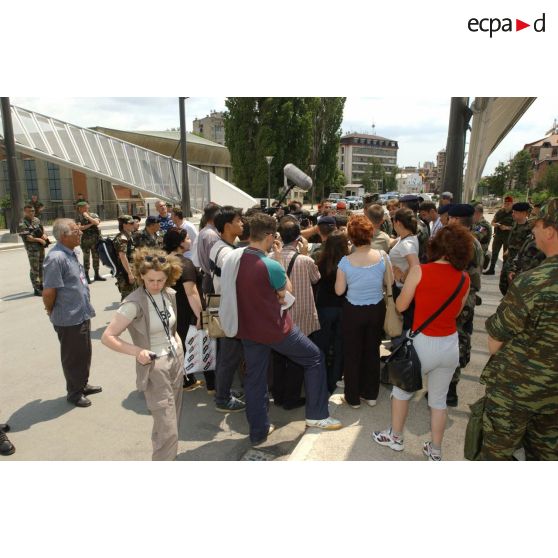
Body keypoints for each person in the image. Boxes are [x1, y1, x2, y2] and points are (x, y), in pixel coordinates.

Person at [219, 213, 342, 445]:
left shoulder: (235, 258)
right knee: (314, 358)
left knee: (255, 380)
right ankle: (317, 415)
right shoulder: (270, 265)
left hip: (247, 329)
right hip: (276, 329)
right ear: (268, 236)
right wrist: (276, 260)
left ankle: (258, 432)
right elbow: (287, 290)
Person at [373, 224, 472, 461]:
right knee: (438, 400)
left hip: (422, 343)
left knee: (401, 392)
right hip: (449, 344)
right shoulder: (464, 278)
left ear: (436, 245)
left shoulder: (420, 271)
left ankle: (395, 437)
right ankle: (435, 451)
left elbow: (401, 306)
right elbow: (457, 312)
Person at [478, 198, 558, 460]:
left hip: (517, 390)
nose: (533, 229)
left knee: (496, 456)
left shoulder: (534, 281)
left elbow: (495, 339)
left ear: (550, 231)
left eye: (539, 224)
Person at [102, 248, 185, 461]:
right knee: (167, 426)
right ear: (141, 277)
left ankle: (164, 457)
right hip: (155, 366)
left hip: (175, 359)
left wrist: (179, 347)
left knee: (170, 420)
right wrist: (137, 351)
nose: (156, 285)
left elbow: (172, 327)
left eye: (161, 280)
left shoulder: (169, 294)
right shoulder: (133, 303)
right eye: (151, 280)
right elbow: (108, 336)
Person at [43, 219, 101, 407]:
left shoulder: (72, 252)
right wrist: (51, 310)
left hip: (81, 313)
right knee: (73, 356)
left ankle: (82, 384)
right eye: (76, 231)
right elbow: (49, 292)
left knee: (84, 353)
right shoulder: (56, 258)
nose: (81, 233)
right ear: (63, 236)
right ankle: (74, 393)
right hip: (68, 317)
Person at [335, 214, 387, 408]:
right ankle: (371, 394)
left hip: (353, 311)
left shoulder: (345, 261)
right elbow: (385, 283)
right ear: (370, 234)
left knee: (352, 353)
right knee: (372, 351)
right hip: (376, 308)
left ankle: (353, 397)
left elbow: (339, 291)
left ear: (350, 237)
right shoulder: (382, 256)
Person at [271, 217, 321, 410]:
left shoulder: (270, 257)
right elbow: (316, 279)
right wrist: (307, 253)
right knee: (297, 358)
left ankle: (278, 394)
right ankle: (291, 398)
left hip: (278, 315)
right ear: (299, 238)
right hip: (301, 314)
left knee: (278, 357)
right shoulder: (305, 260)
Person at [162, 228, 209, 393]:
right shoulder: (184, 263)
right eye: (187, 238)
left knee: (177, 344)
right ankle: (197, 381)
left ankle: (186, 380)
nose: (190, 240)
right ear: (180, 243)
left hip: (170, 309)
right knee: (194, 345)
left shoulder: (163, 261)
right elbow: (191, 292)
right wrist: (200, 315)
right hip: (186, 311)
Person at [208, 206, 246, 412]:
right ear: (227, 225)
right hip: (227, 309)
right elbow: (235, 270)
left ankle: (224, 391)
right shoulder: (224, 251)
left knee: (228, 354)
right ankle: (222, 398)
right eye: (239, 220)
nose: (242, 224)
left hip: (224, 306)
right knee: (229, 355)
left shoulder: (226, 245)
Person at [446, 204, 483, 407]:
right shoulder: (474, 241)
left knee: (456, 337)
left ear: (458, 221)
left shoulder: (463, 243)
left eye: (451, 218)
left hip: (461, 296)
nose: (448, 221)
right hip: (468, 295)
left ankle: (450, 390)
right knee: (460, 335)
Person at [314, 231, 349, 393]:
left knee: (322, 346)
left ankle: (319, 380)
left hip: (324, 308)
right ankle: (333, 381)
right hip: (342, 308)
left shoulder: (320, 261)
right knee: (339, 346)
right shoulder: (348, 262)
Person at [389, 208, 420, 331]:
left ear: (398, 223)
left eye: (393, 221)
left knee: (404, 324)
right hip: (402, 288)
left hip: (402, 289)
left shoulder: (407, 244)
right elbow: (391, 242)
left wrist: (403, 278)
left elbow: (415, 266)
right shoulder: (407, 238)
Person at [499, 202, 531, 296]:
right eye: (513, 212)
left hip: (519, 262)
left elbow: (527, 248)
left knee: (514, 286)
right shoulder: (515, 224)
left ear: (524, 213)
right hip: (509, 259)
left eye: (516, 212)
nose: (513, 214)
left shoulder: (529, 228)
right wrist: (508, 250)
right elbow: (512, 239)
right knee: (503, 284)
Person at [18, 204, 49, 296]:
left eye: (33, 211)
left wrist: (44, 235)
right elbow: (27, 237)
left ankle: (41, 285)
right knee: (35, 268)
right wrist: (39, 239)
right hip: (32, 249)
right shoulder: (22, 222)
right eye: (29, 211)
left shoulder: (36, 220)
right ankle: (36, 288)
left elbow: (42, 230)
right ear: (25, 212)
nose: (31, 213)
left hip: (40, 247)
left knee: (41, 266)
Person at [75, 201, 105, 283]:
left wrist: (88, 217)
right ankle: (86, 276)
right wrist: (91, 224)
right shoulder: (78, 217)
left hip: (95, 240)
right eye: (82, 208)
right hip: (85, 241)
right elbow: (80, 228)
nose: (84, 209)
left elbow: (96, 222)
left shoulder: (94, 215)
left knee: (96, 257)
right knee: (86, 259)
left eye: (85, 207)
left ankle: (97, 274)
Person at [196, 202, 222, 295]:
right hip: (212, 279)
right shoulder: (211, 235)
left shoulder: (205, 231)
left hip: (208, 277)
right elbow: (214, 261)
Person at [484, 196, 514, 275]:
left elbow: (516, 226)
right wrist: (496, 224)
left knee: (506, 255)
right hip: (498, 235)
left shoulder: (514, 213)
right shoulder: (500, 212)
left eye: (508, 203)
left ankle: (503, 271)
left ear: (511, 204)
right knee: (494, 253)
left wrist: (507, 227)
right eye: (505, 203)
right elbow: (492, 222)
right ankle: (491, 269)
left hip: (508, 236)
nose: (506, 205)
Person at [400, 194, 429, 262]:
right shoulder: (416, 223)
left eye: (401, 207)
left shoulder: (416, 227)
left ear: (406, 209)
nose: (399, 210)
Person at [114, 215, 137, 301]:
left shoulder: (128, 236)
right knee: (127, 299)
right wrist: (129, 274)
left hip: (131, 270)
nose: (133, 224)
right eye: (131, 223)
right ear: (124, 225)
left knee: (134, 297)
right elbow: (122, 256)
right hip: (125, 273)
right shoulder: (122, 238)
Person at [473, 203, 492, 269]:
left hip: (478, 259)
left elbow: (474, 237)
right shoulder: (476, 223)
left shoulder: (484, 225)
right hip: (475, 257)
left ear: (478, 213)